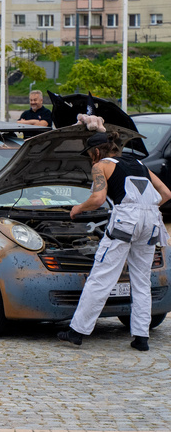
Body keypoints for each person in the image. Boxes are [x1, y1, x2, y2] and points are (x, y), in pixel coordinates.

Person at [59, 131, 171, 352]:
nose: (91, 159)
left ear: (97, 152)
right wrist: (144, 209)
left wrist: (78, 208)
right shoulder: (140, 164)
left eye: (90, 155)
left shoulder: (101, 166)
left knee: (102, 276)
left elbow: (99, 199)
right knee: (141, 279)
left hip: (126, 220)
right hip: (151, 220)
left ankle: (77, 331)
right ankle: (141, 337)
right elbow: (166, 193)